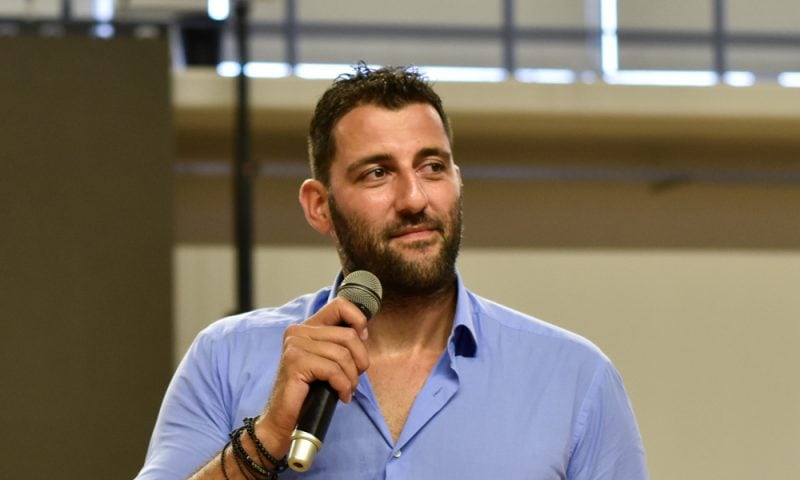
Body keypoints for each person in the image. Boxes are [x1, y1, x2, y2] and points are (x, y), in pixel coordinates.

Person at [136, 64, 648, 479]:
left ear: (457, 181)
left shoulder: (575, 378)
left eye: (432, 167)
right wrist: (267, 437)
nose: (414, 199)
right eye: (378, 173)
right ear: (319, 206)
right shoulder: (226, 358)